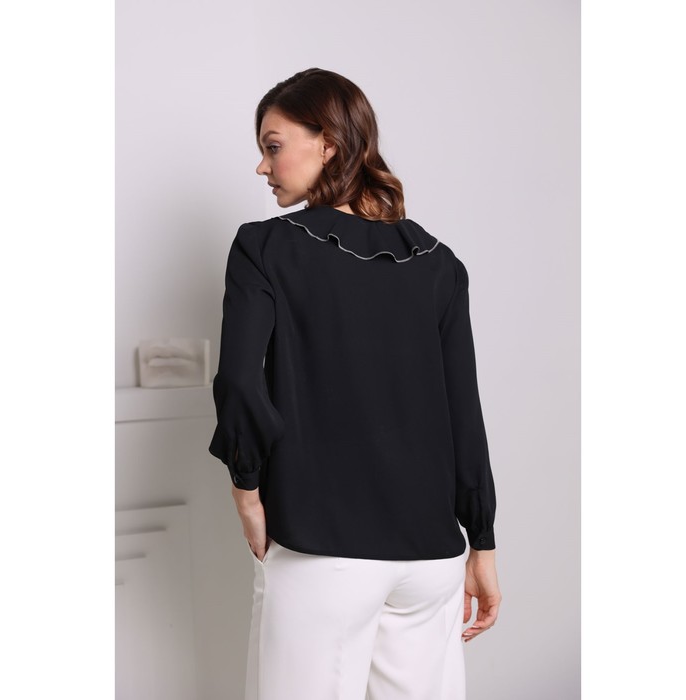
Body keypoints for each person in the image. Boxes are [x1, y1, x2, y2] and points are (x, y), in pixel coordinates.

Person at [208, 67, 502, 700]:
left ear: (329, 143)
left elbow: (239, 382)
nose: (262, 166)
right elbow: (464, 413)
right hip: (432, 559)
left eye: (273, 146)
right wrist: (482, 542)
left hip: (323, 552)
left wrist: (247, 496)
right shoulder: (439, 265)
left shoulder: (264, 248)